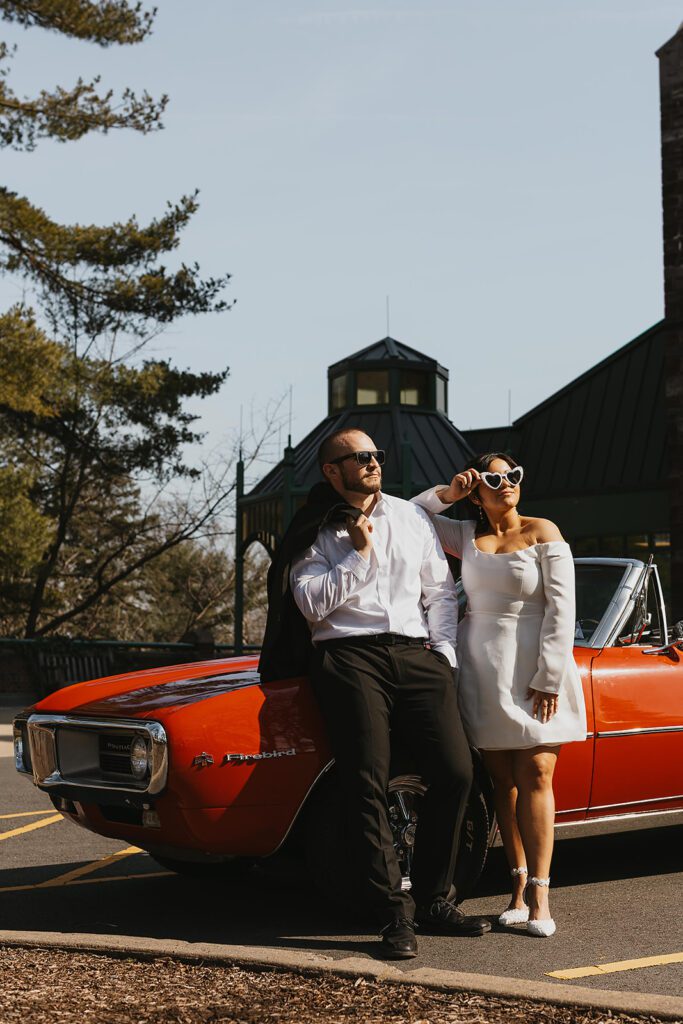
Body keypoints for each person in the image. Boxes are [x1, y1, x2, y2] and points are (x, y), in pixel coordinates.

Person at [290, 428, 491, 959]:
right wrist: (359, 555)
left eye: (376, 454)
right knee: (366, 780)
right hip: (349, 655)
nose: (373, 462)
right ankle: (391, 914)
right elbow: (311, 606)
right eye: (360, 457)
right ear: (333, 471)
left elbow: (440, 591)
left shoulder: (410, 515)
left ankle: (434, 900)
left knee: (456, 771)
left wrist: (443, 654)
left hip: (416, 653)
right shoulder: (314, 527)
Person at [412, 453, 586, 938]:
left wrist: (550, 674)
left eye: (513, 475)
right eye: (493, 477)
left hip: (535, 663)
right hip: (482, 664)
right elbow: (412, 514)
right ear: (477, 490)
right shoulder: (464, 534)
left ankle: (541, 900)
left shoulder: (543, 530)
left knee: (536, 771)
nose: (506, 482)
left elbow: (562, 607)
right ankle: (514, 890)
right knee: (501, 778)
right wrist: (449, 491)